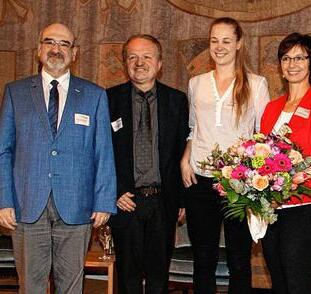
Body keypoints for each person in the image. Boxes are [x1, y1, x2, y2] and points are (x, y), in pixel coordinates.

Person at [0, 23, 116, 293]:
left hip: (77, 206)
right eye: (49, 42)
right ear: (38, 49)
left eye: (64, 44)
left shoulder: (94, 95)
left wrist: (104, 201)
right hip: (26, 205)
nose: (56, 49)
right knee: (31, 286)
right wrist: (4, 200)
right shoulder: (15, 92)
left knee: (71, 286)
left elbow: (104, 152)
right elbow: (3, 150)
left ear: (74, 52)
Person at [180, 17, 270, 294]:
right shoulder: (196, 83)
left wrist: (256, 180)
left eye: (226, 41)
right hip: (200, 181)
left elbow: (263, 137)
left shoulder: (256, 84)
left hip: (238, 184)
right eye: (214, 40)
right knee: (203, 260)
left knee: (239, 260)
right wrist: (185, 158)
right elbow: (192, 129)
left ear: (239, 44)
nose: (219, 47)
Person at [260, 32, 311, 294]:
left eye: (299, 57)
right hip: (273, 206)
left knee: (298, 282)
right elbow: (261, 155)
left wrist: (291, 183)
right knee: (279, 281)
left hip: (307, 205)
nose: (292, 64)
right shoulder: (271, 108)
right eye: (286, 58)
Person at [107, 34, 189, 293]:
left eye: (146, 57)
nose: (139, 62)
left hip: (163, 202)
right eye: (132, 57)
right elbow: (101, 152)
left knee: (158, 279)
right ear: (125, 63)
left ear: (159, 63)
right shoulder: (108, 99)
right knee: (128, 279)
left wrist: (182, 200)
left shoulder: (177, 100)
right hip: (125, 201)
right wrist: (115, 191)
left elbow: (183, 151)